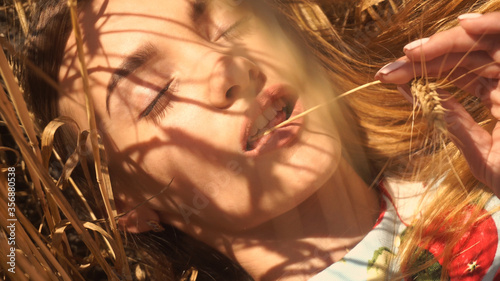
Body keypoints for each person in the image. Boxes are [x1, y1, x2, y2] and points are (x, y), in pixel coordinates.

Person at [19, 0, 500, 279]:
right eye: (155, 95)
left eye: (228, 25)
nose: (227, 65)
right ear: (126, 204)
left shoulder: (478, 163)